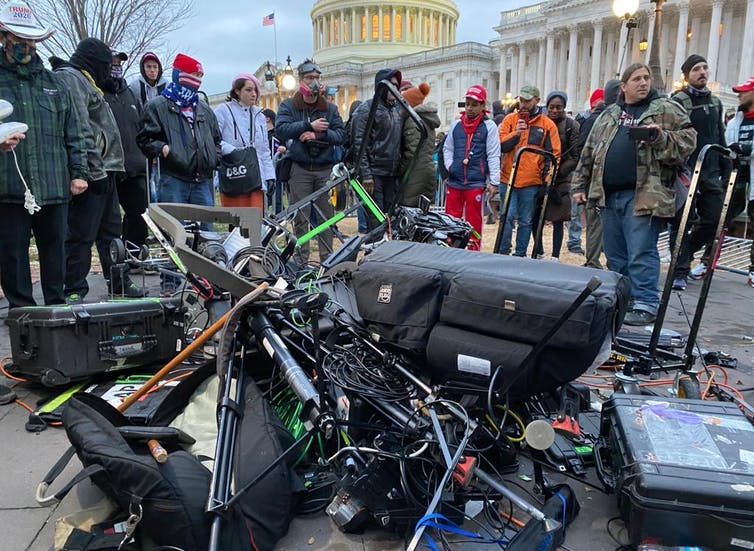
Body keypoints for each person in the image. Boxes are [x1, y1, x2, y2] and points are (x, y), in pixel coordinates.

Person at [572, 63, 696, 326]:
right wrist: (580, 186)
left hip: (644, 195)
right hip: (607, 195)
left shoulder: (665, 109)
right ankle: (622, 300)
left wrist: (660, 138)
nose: (643, 83)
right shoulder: (610, 114)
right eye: (637, 79)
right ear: (624, 86)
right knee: (615, 253)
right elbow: (590, 151)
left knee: (640, 251)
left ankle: (645, 302)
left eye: (646, 78)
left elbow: (688, 142)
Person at [0, 1, 88, 312]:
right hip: (9, 189)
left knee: (55, 252)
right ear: (4, 38)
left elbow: (74, 132)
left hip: (54, 187)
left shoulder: (55, 84)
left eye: (30, 40)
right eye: (17, 39)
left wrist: (79, 173)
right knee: (13, 255)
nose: (25, 45)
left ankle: (57, 311)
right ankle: (22, 314)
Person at [52, 38, 144, 301]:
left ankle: (119, 282)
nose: (110, 69)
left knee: (111, 233)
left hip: (108, 170)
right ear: (94, 61)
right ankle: (74, 289)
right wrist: (92, 169)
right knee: (82, 233)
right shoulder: (71, 79)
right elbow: (81, 127)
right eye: (107, 63)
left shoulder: (89, 81)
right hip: (93, 172)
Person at [668, 54, 731, 290]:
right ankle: (680, 269)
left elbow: (719, 134)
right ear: (686, 75)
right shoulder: (678, 101)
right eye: (696, 69)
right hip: (685, 172)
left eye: (705, 68)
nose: (702, 72)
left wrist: (725, 165)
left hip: (710, 170)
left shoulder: (715, 103)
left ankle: (684, 252)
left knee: (714, 220)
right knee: (681, 221)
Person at [274, 59, 345, 264]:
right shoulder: (289, 105)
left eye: (316, 77)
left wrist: (317, 135)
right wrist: (307, 125)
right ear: (300, 80)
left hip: (325, 169)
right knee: (300, 218)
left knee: (326, 217)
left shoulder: (329, 109)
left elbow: (340, 135)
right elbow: (281, 129)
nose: (314, 82)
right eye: (309, 78)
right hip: (300, 168)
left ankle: (327, 260)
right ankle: (300, 260)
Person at [137, 53, 220, 213]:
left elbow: (216, 139)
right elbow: (145, 138)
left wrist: (213, 158)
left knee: (207, 232)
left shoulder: (205, 110)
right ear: (181, 75)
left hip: (202, 180)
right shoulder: (157, 106)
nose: (198, 80)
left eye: (200, 76)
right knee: (176, 230)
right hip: (173, 178)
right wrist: (165, 150)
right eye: (194, 75)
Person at [496, 84, 561, 256]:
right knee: (506, 217)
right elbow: (501, 145)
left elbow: (554, 155)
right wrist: (516, 134)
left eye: (527, 100)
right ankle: (502, 251)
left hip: (531, 181)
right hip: (507, 177)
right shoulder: (509, 120)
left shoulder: (547, 125)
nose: (523, 104)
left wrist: (548, 179)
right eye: (522, 100)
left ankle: (520, 254)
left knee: (526, 220)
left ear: (537, 101)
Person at [103, 50, 149, 259]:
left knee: (139, 216)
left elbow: (141, 125)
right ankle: (114, 263)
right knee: (108, 223)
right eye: (112, 62)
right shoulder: (97, 93)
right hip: (109, 168)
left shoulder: (129, 93)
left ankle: (134, 258)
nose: (116, 66)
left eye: (119, 63)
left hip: (135, 166)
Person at [444, 84, 500, 250]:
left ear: (483, 106)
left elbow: (493, 154)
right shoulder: (456, 125)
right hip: (455, 181)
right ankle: (450, 250)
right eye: (468, 104)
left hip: (475, 182)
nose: (470, 108)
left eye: (474, 104)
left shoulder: (489, 127)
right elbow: (447, 148)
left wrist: (494, 181)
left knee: (474, 221)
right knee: (450, 220)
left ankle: (473, 251)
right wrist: (451, 166)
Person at [350, 68, 403, 229]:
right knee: (376, 221)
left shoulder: (397, 109)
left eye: (396, 85)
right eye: (390, 85)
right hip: (373, 175)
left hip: (391, 174)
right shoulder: (366, 110)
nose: (394, 89)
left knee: (389, 220)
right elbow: (359, 144)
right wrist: (366, 175)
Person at [214, 73, 274, 210]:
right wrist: (233, 151)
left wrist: (270, 176)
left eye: (256, 90)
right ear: (237, 91)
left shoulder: (259, 115)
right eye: (248, 90)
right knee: (235, 221)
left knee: (255, 221)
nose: (254, 94)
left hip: (255, 176)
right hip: (233, 173)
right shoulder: (223, 110)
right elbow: (214, 139)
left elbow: (264, 150)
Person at [532, 90, 580, 261]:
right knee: (535, 216)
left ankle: (555, 255)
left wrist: (556, 171)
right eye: (551, 107)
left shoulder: (572, 126)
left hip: (561, 178)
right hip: (539, 176)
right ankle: (538, 251)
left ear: (564, 108)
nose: (554, 111)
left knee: (559, 218)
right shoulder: (541, 123)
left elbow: (575, 156)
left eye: (558, 107)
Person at [567, 87, 603, 256]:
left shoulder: (587, 120)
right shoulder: (590, 121)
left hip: (588, 172)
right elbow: (582, 148)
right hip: (586, 172)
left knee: (585, 212)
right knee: (583, 210)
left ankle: (580, 243)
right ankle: (576, 242)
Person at [398, 82, 440, 207]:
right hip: (427, 168)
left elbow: (412, 151)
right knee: (422, 209)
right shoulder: (427, 119)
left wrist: (401, 168)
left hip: (416, 172)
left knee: (409, 207)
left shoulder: (413, 121)